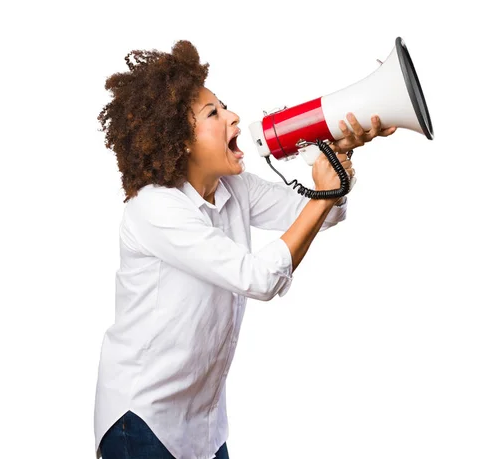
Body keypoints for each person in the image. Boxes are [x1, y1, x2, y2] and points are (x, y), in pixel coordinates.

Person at [94, 40, 396, 459]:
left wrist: (338, 154)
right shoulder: (155, 209)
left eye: (225, 106)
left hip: (203, 425)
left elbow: (319, 214)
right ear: (179, 140)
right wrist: (325, 194)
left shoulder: (234, 187)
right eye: (212, 113)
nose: (234, 116)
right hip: (142, 420)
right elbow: (258, 277)